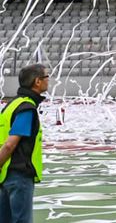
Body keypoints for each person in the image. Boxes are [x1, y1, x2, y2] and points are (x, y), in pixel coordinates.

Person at [0, 64, 49, 223]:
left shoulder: (12, 104)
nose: (49, 80)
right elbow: (9, 145)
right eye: (46, 77)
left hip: (4, 176)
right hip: (18, 177)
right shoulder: (26, 108)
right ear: (37, 81)